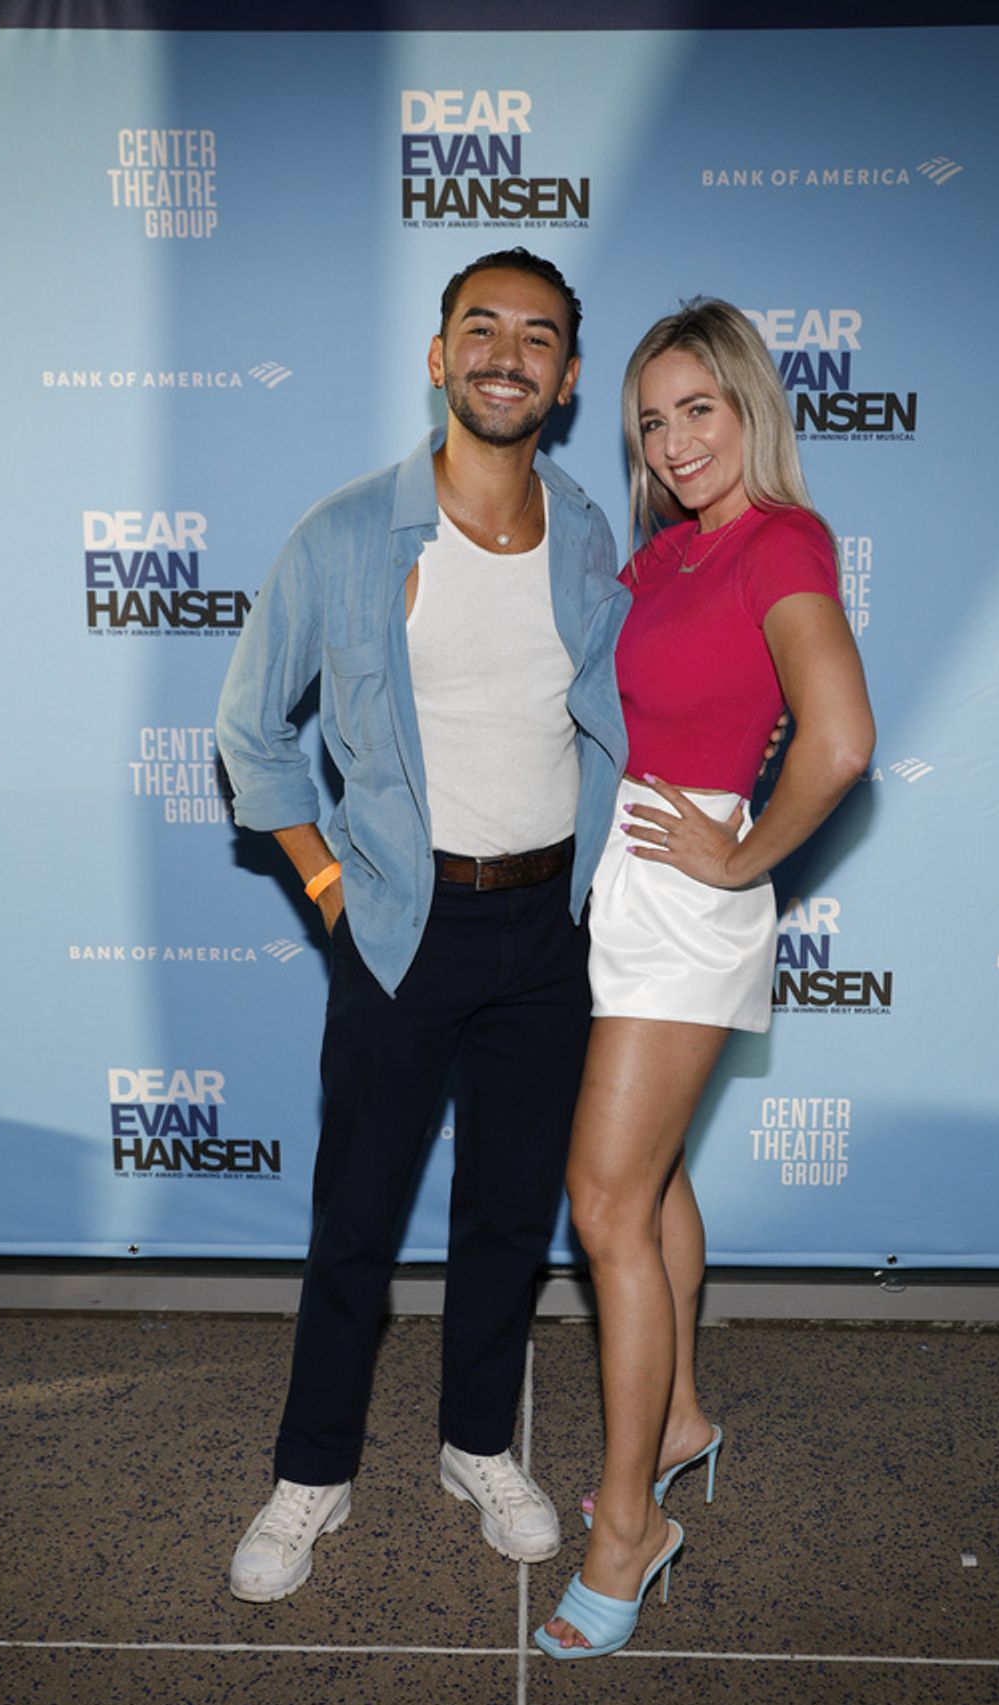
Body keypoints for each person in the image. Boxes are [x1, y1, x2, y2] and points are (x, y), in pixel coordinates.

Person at [215, 249, 631, 1601]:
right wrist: (328, 881)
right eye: (483, 327)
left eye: (539, 337)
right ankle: (312, 1473)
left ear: (566, 379)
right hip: (401, 925)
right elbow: (249, 730)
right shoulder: (347, 535)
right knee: (357, 1222)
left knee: (511, 1215)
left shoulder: (584, 533)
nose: (509, 353)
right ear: (438, 355)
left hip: (546, 929)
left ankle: (474, 1445)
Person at [535, 298, 875, 1660]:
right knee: (657, 1177)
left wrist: (743, 862)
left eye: (700, 410)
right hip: (624, 888)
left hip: (688, 897)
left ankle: (631, 1521)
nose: (676, 440)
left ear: (750, 409)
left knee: (604, 1202)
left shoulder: (779, 540)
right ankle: (676, 1420)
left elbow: (840, 740)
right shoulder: (669, 553)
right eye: (652, 419)